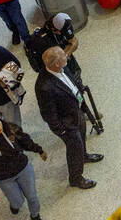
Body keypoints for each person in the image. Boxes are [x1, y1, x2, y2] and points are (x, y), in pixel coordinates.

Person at [34, 46, 100, 189]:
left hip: (76, 111)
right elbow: (48, 113)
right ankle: (76, 178)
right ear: (57, 63)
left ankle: (84, 156)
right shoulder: (44, 86)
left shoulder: (62, 68)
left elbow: (72, 85)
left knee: (81, 138)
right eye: (63, 55)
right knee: (74, 147)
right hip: (67, 124)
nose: (66, 55)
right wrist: (61, 130)